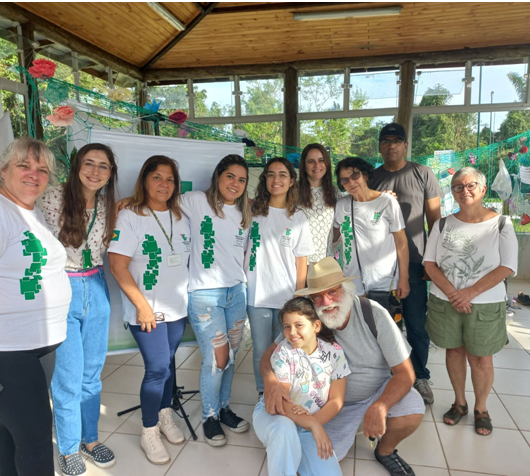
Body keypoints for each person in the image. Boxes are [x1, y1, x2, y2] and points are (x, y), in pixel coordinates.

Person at [261, 257, 424, 476]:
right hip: (330, 404)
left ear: (347, 289)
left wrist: (381, 406)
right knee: (322, 458)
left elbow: (405, 373)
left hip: (377, 390)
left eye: (332, 292)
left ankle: (385, 451)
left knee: (413, 409)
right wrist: (271, 382)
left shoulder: (373, 314)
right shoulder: (307, 318)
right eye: (317, 296)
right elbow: (268, 357)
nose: (326, 302)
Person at [37, 143, 118, 475]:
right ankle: (68, 447)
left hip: (97, 285)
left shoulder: (107, 203)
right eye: (89, 163)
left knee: (92, 374)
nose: (95, 171)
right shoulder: (52, 198)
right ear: (76, 166)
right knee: (68, 376)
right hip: (63, 286)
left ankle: (90, 438)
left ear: (111, 173)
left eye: (103, 166)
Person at [423, 167, 518, 436]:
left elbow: (507, 267)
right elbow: (429, 264)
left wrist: (469, 293)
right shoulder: (442, 224)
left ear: (483, 189)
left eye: (471, 185)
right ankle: (460, 403)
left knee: (481, 357)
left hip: (485, 303)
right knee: (454, 352)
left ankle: (481, 408)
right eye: (458, 187)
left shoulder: (501, 223)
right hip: (445, 301)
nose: (465, 191)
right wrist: (455, 293)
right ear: (451, 192)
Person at [109, 156, 190, 465]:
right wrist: (143, 307)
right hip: (146, 311)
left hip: (176, 308)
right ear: (144, 180)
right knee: (157, 368)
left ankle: (165, 412)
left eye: (169, 179)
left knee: (168, 363)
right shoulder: (130, 216)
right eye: (156, 177)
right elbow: (118, 267)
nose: (163, 184)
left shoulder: (182, 216)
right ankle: (148, 430)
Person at [0, 138, 71, 476]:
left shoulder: (31, 210)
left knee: (9, 437)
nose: (34, 174)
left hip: (38, 347)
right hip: (9, 350)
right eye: (23, 166)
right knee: (36, 442)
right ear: (3, 170)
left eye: (42, 169)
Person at [181, 154, 251, 447]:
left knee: (231, 357)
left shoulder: (246, 213)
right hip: (205, 294)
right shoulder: (196, 201)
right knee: (216, 358)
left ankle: (223, 409)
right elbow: (156, 203)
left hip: (236, 292)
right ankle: (209, 416)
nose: (235, 184)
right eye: (230, 176)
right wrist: (126, 203)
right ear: (218, 176)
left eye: (242, 179)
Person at [370, 122, 442, 405]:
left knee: (415, 323)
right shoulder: (372, 178)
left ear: (405, 145)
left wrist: (431, 262)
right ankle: (386, 375)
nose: (391, 145)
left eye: (396, 141)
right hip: (379, 265)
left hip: (413, 262)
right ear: (380, 145)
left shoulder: (422, 174)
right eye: (386, 140)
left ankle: (420, 376)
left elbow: (435, 221)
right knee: (381, 323)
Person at [253, 297, 350, 476]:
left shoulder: (334, 352)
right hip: (277, 415)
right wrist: (313, 425)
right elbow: (282, 403)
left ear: (316, 326)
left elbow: (336, 400)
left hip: (307, 423)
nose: (292, 332)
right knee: (284, 429)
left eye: (299, 325)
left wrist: (313, 425)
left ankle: (288, 446)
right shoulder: (283, 352)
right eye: (287, 326)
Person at [245, 157, 314, 395]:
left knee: (286, 350)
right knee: (261, 351)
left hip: (286, 297)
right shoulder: (252, 211)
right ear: (264, 180)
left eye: (282, 174)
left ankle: (285, 393)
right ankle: (263, 395)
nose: (276, 179)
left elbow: (301, 259)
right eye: (271, 174)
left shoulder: (298, 217)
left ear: (292, 181)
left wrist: (298, 296)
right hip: (257, 294)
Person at [333, 157, 410, 303]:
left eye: (355, 175)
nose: (351, 182)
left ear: (365, 175)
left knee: (385, 325)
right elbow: (332, 238)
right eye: (345, 180)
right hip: (352, 285)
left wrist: (404, 279)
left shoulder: (387, 201)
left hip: (385, 283)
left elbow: (401, 243)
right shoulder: (341, 205)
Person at [298, 144, 342, 263]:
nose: (317, 165)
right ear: (304, 165)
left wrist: (381, 196)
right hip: (298, 263)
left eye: (321, 160)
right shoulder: (292, 192)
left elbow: (357, 204)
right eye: (311, 161)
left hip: (326, 263)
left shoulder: (334, 192)